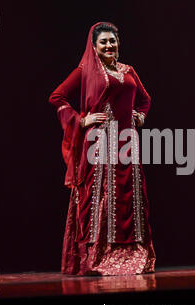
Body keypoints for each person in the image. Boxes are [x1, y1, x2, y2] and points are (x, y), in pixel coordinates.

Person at [48, 22, 156, 276]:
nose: (109, 45)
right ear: (94, 47)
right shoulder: (86, 71)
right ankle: (99, 257)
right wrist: (81, 120)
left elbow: (145, 99)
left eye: (112, 41)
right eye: (103, 42)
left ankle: (134, 255)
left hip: (127, 144)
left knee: (129, 197)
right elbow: (57, 97)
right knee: (101, 199)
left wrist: (140, 116)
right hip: (99, 144)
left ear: (118, 43)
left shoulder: (128, 70)